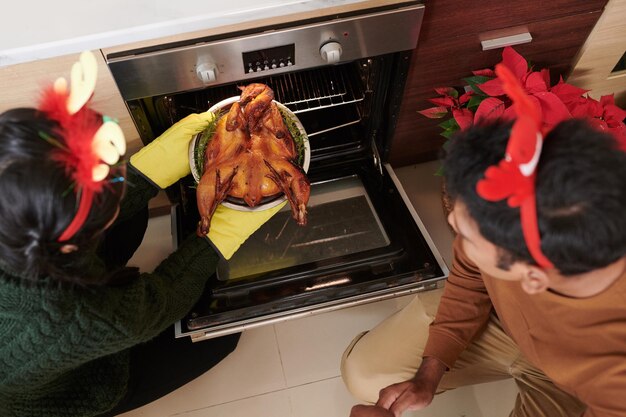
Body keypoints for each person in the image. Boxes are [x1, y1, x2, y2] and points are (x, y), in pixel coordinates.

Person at [0, 52, 283, 416]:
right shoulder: (74, 318)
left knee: (131, 220)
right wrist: (218, 234)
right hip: (56, 396)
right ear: (70, 243)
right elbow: (160, 300)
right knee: (223, 335)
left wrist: (146, 173)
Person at [341, 64, 626, 417]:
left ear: (533, 277)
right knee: (365, 375)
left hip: (568, 376)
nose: (453, 228)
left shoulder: (614, 370)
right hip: (505, 324)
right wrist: (428, 374)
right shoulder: (513, 216)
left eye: (469, 238)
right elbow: (469, 279)